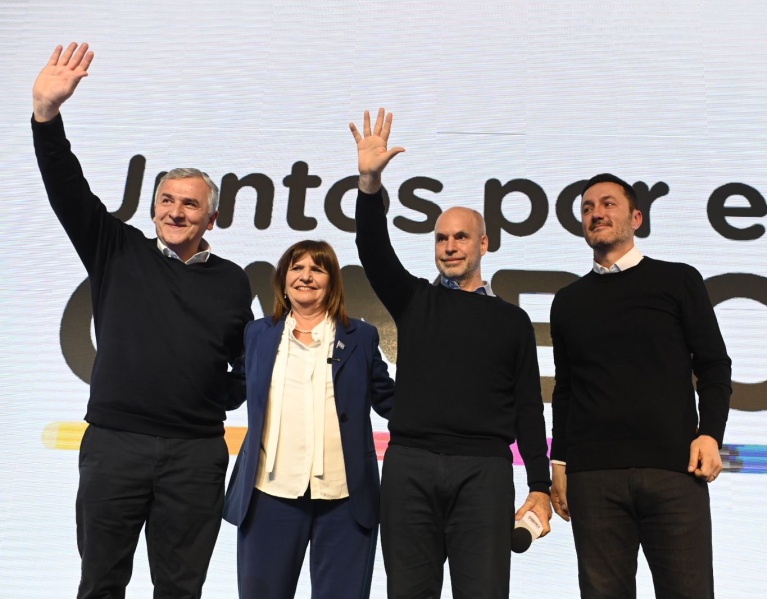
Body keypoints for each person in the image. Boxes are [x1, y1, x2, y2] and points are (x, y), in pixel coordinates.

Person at [32, 43, 253, 598]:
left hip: (196, 455)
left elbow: (249, 360)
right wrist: (46, 116)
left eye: (190, 204)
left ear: (212, 217)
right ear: (154, 207)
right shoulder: (116, 248)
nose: (175, 211)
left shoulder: (232, 280)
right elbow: (66, 188)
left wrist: (216, 396)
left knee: (181, 588)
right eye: (167, 200)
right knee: (101, 582)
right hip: (115, 446)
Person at [348, 108, 552, 599]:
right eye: (441, 238)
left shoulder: (512, 321)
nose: (450, 246)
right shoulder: (415, 300)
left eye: (461, 236)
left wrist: (540, 485)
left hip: (483, 472)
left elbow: (528, 407)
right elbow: (373, 250)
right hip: (410, 468)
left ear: (484, 243)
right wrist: (369, 185)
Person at [549, 173, 732, 598]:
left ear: (636, 218)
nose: (596, 213)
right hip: (594, 477)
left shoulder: (678, 280)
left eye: (608, 204)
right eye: (587, 208)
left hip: (673, 471)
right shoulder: (568, 301)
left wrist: (710, 434)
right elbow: (566, 389)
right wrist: (560, 462)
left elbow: (713, 365)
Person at [223, 240, 394, 598]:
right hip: (270, 493)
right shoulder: (257, 334)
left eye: (317, 269)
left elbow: (388, 400)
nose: (306, 276)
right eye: (297, 268)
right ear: (283, 280)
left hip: (345, 499)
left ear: (332, 282)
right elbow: (233, 389)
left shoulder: (361, 336)